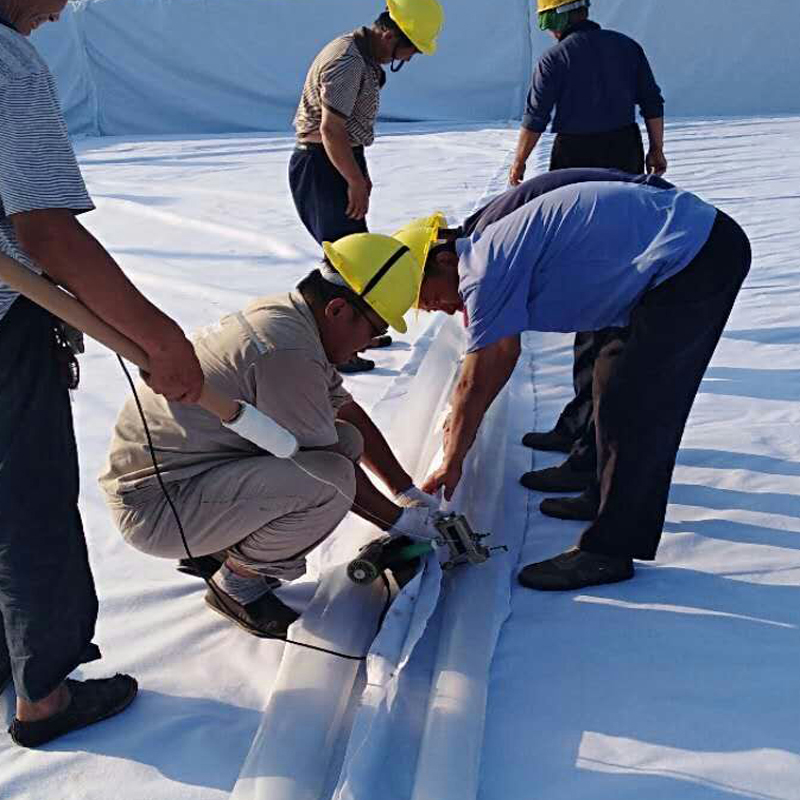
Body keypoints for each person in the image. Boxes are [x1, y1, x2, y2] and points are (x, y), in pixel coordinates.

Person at [0, 2, 205, 748]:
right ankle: (45, 697)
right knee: (29, 501)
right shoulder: (7, 61)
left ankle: (11, 653)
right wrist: (160, 337)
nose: (62, 11)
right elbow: (46, 229)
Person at [410, 180, 750, 590]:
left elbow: (480, 376)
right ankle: (600, 492)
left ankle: (609, 551)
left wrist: (452, 460)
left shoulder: (482, 270)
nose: (447, 310)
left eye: (435, 298)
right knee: (608, 382)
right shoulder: (487, 250)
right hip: (660, 259)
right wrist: (460, 432)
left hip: (693, 257)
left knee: (639, 406)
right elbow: (498, 356)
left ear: (445, 261)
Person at [100, 234, 441, 638]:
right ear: (338, 309)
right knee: (328, 482)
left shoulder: (290, 318)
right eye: (375, 328)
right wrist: (401, 523)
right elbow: (327, 476)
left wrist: (405, 492)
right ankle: (237, 587)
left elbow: (345, 413)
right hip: (158, 509)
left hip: (188, 477)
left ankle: (222, 544)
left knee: (346, 443)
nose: (370, 343)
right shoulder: (286, 351)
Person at [507, 0, 668, 520]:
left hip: (575, 159)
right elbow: (652, 102)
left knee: (586, 285)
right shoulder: (626, 47)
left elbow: (536, 117)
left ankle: (584, 436)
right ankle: (578, 422)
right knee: (617, 269)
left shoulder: (555, 60)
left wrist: (519, 162)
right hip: (624, 152)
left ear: (553, 18)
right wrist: (656, 150)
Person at [289, 0, 444, 373]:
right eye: (410, 51)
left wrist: (358, 172)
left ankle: (357, 330)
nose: (408, 59)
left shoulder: (364, 58)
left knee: (355, 255)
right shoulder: (346, 62)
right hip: (322, 163)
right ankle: (331, 345)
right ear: (390, 36)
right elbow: (330, 130)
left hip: (339, 160)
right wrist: (354, 179)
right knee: (342, 260)